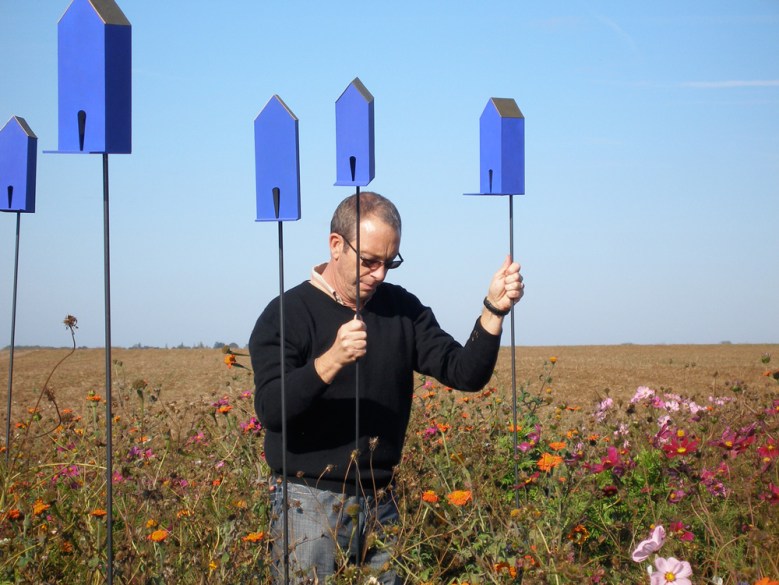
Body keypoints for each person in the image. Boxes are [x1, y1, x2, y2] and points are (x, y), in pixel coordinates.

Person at [249, 192, 524, 583]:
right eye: (369, 261)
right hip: (305, 502)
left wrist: (493, 311)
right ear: (335, 246)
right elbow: (271, 410)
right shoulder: (286, 314)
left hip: (382, 502)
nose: (379, 274)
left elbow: (463, 372)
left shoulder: (401, 308)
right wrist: (330, 361)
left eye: (389, 262)